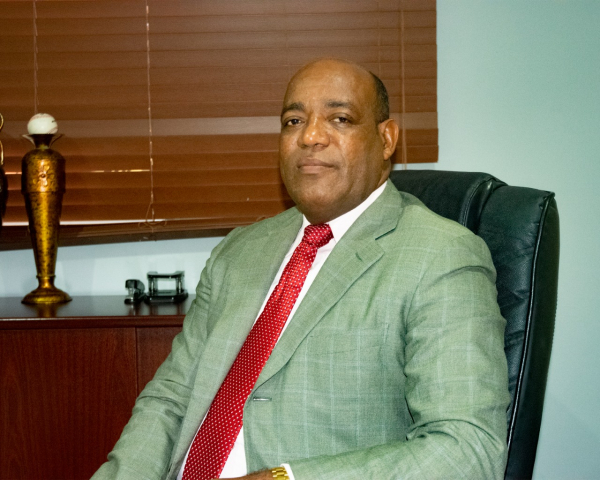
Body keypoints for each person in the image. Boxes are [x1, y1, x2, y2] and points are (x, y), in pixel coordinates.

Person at [93, 58, 510, 480]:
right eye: (293, 121)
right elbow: (171, 399)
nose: (310, 136)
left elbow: (467, 450)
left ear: (386, 139)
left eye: (340, 118)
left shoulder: (440, 256)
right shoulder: (239, 251)